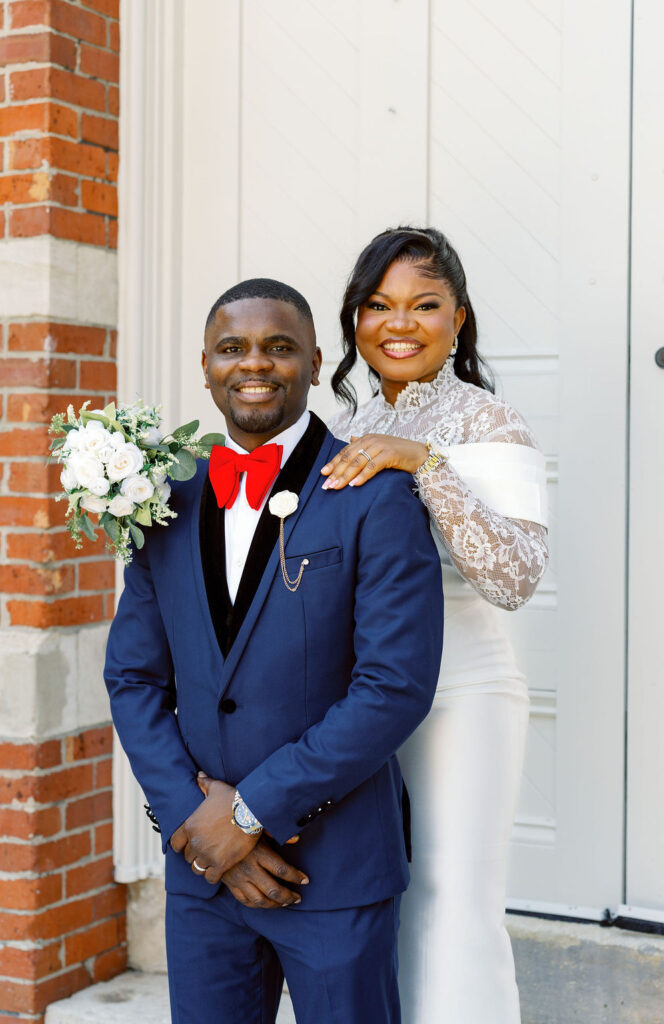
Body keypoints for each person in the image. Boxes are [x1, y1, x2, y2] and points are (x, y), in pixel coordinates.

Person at [104, 278, 444, 1024]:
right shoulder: (165, 495)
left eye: (278, 348)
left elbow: (393, 686)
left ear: (316, 362)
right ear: (204, 365)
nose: (254, 365)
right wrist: (196, 820)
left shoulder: (374, 494)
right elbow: (131, 676)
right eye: (233, 349)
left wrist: (250, 813)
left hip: (335, 872)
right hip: (203, 877)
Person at [322, 228, 550, 1024]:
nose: (399, 322)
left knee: (452, 905)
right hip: (360, 701)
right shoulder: (342, 429)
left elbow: (514, 576)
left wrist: (423, 462)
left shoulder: (491, 422)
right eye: (377, 304)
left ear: (458, 318)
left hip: (463, 697)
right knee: (370, 900)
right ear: (353, 320)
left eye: (424, 305)